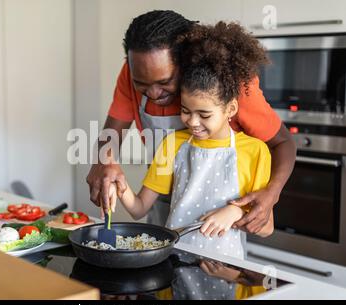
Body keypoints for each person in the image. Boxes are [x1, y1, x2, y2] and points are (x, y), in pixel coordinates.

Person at [86, 10, 296, 233]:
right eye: (142, 84)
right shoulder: (134, 71)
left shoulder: (226, 83)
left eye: (164, 81)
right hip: (162, 194)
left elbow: (283, 142)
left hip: (223, 210)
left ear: (187, 63)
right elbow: (111, 135)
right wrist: (105, 162)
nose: (154, 93)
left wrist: (271, 193)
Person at [109, 21, 274, 262]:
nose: (193, 122)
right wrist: (121, 186)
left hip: (226, 270)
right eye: (185, 111)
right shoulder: (172, 144)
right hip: (173, 261)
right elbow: (139, 209)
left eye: (204, 114)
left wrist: (235, 211)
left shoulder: (255, 152)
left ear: (231, 109)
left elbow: (267, 228)